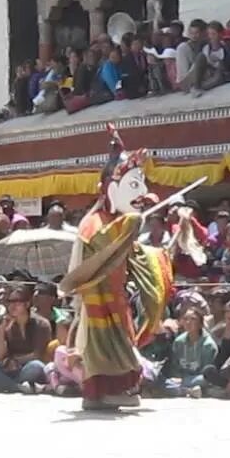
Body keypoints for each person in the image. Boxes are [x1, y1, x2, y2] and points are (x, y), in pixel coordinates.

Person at [59, 126, 174, 411]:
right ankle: (101, 392)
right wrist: (128, 225)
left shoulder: (119, 220)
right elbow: (102, 243)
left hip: (117, 295)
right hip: (98, 298)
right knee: (104, 344)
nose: (144, 193)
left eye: (142, 185)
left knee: (119, 339)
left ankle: (113, 390)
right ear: (111, 189)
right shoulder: (95, 221)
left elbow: (130, 253)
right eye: (135, 186)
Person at [0, 285, 51, 394]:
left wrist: (15, 361)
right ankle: (17, 387)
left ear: (27, 304)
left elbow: (37, 355)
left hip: (27, 366)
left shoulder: (41, 324)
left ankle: (2, 384)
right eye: (10, 301)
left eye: (17, 301)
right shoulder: (6, 323)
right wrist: (2, 330)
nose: (12, 305)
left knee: (36, 366)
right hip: (8, 368)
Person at [164, 303, 217, 398]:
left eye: (193, 319)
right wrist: (177, 377)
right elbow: (175, 365)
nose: (188, 322)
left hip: (199, 377)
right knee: (164, 381)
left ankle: (183, 389)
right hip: (181, 378)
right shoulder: (179, 341)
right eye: (185, 319)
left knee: (203, 380)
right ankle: (189, 391)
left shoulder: (208, 345)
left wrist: (184, 380)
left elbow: (206, 372)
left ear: (200, 323)